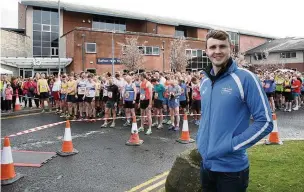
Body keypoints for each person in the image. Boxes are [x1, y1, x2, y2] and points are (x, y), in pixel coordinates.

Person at [197, 30, 273, 192]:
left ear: (230, 48)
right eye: (213, 47)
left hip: (232, 171)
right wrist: (201, 143)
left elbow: (265, 122)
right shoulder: (204, 82)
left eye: (222, 46)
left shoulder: (246, 78)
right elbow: (207, 119)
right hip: (206, 165)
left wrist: (230, 146)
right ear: (206, 51)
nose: (217, 51)